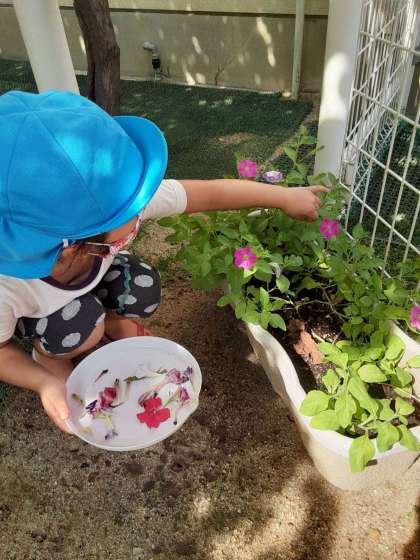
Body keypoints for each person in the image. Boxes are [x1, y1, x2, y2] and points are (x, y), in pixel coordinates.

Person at [0, 90, 327, 433]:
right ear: (72, 245)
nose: (141, 209)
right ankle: (51, 355)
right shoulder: (10, 284)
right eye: (131, 212)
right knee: (80, 327)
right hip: (47, 316)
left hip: (87, 276)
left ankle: (111, 323)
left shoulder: (111, 210)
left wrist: (283, 197)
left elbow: (208, 193)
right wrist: (42, 382)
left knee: (141, 288)